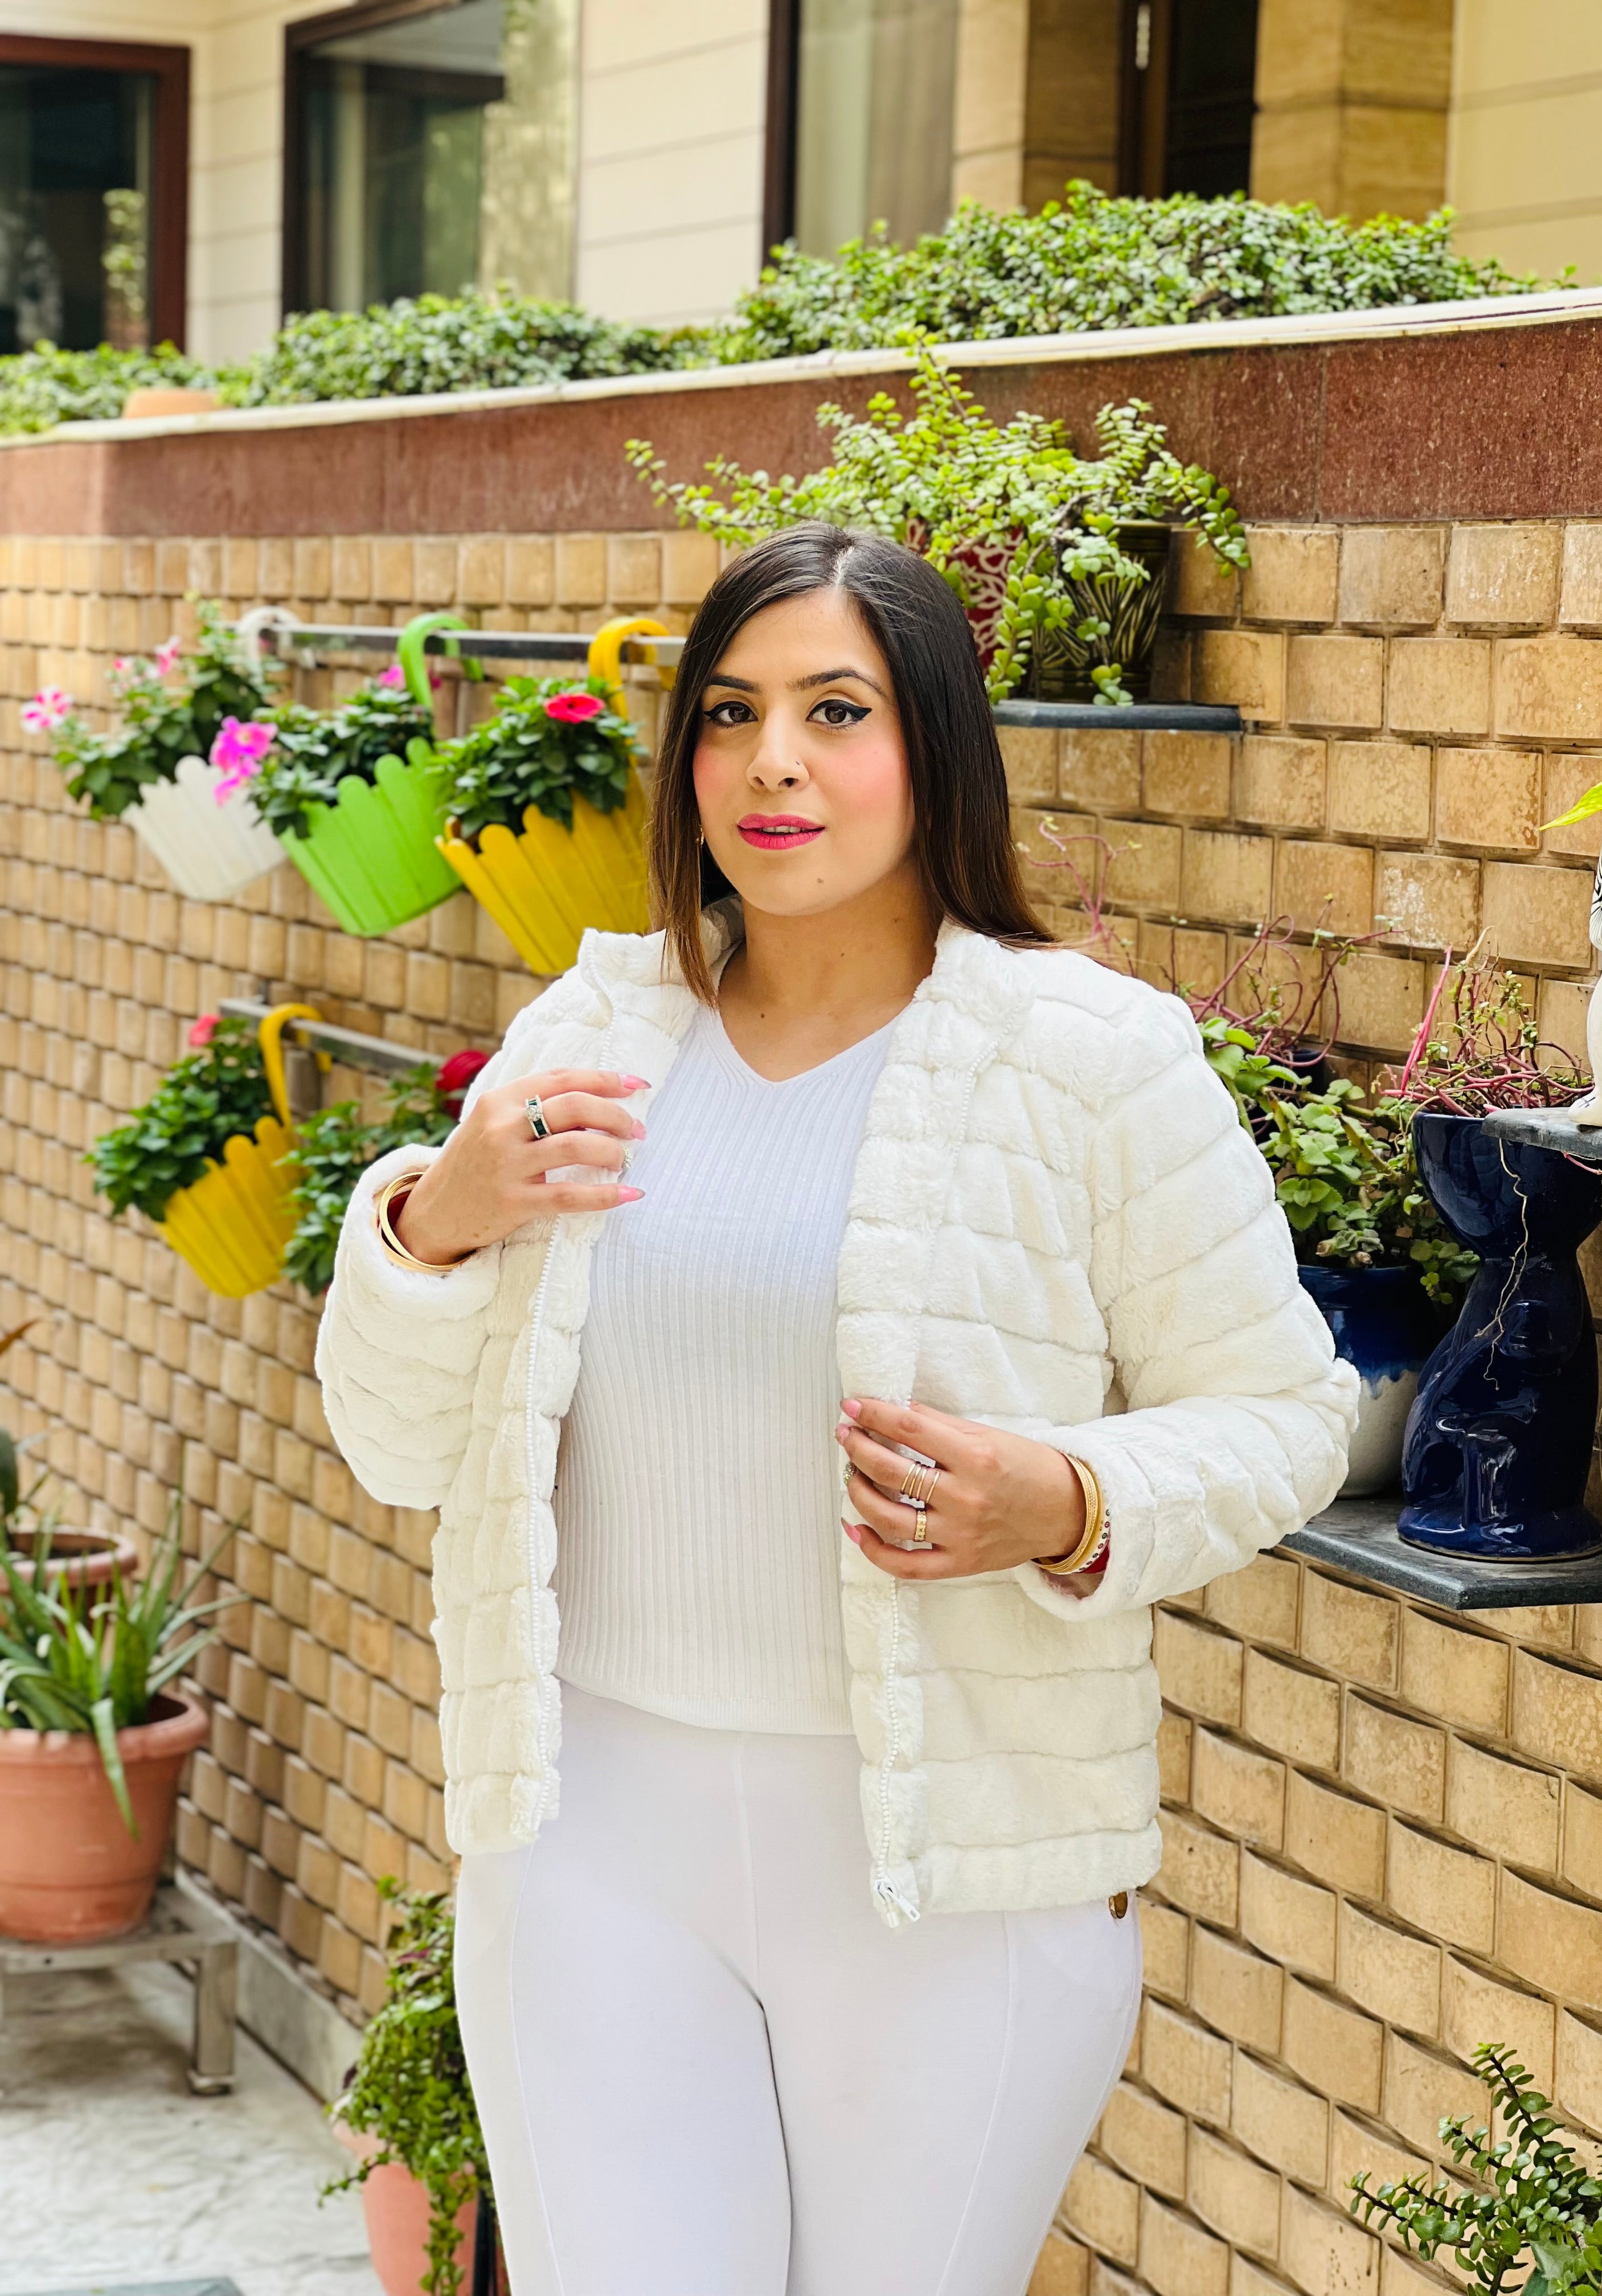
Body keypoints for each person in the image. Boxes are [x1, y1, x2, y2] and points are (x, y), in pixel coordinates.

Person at [317, 523, 1357, 2296]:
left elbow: (1285, 1412)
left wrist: (1067, 1499)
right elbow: (402, 1446)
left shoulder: (1089, 1056)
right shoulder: (594, 1027)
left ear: (934, 747)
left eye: (835, 710)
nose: (772, 761)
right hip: (591, 1849)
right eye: (728, 713)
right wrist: (434, 1220)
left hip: (960, 1880)